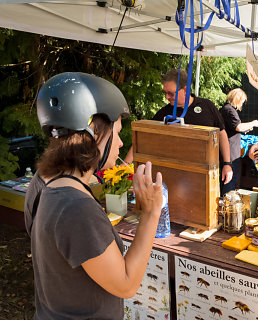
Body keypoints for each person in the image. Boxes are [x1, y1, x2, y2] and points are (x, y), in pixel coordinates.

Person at [25, 72, 164, 319]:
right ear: (92, 131)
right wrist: (152, 213)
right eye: (117, 132)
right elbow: (126, 284)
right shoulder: (76, 207)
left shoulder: (41, 183)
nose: (121, 143)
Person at [125, 69, 233, 185]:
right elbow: (143, 135)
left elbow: (221, 134)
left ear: (185, 90)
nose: (167, 97)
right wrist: (126, 164)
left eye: (171, 93)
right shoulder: (165, 113)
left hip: (206, 173)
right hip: (177, 177)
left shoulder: (207, 106)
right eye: (165, 93)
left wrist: (227, 164)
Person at [219, 88, 258, 194]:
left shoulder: (224, 109)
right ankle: (227, 206)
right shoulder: (230, 110)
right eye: (242, 101)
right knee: (229, 182)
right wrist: (253, 123)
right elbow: (238, 127)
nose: (242, 104)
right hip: (231, 154)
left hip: (227, 152)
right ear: (238, 99)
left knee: (226, 181)